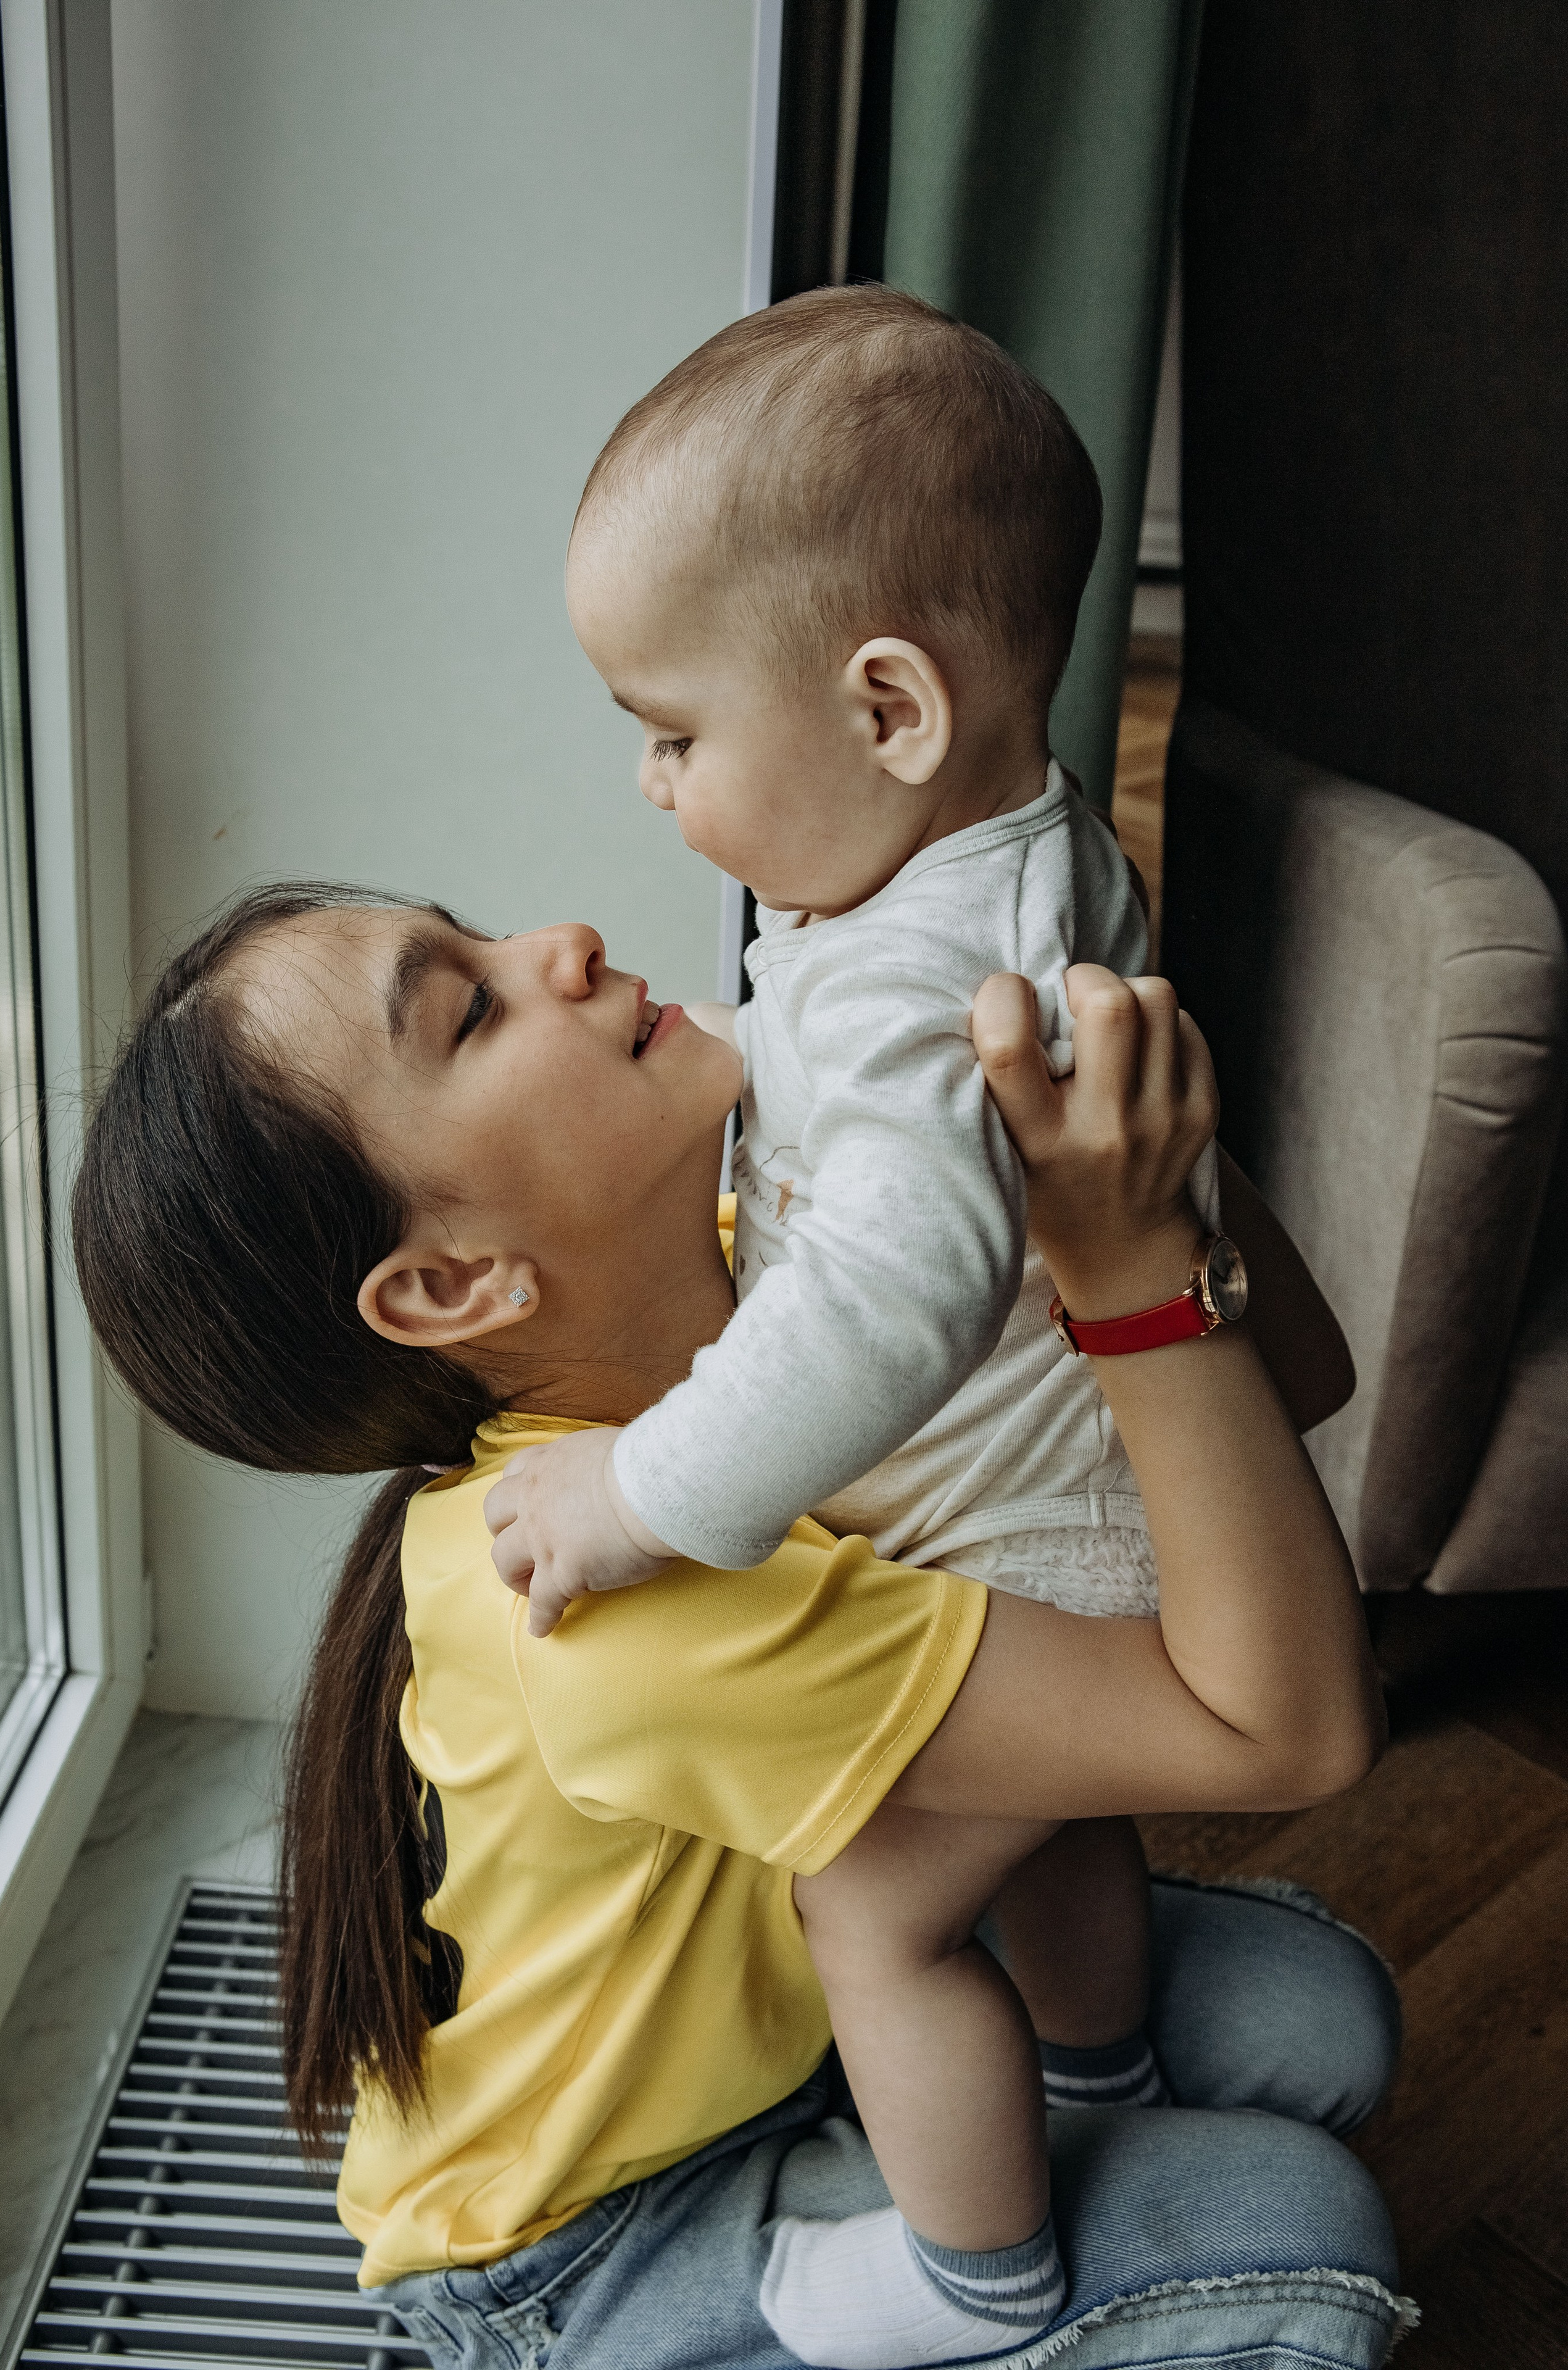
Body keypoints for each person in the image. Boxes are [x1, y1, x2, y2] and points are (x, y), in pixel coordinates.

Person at [71, 883, 1411, 2369]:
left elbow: (1297, 1376)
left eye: (482, 934)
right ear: (453, 1284)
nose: (562, 942)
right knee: (1308, 2233)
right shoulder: (612, 1613)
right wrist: (1129, 1256)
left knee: (1326, 2022)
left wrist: (1106, 1120)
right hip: (596, 2243)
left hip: (805, 2023)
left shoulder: (807, 1289)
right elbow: (1290, 1731)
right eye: (472, 1008)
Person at [483, 286, 1250, 2351]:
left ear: (889, 709)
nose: (654, 784)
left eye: (674, 730)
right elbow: (896, 1137)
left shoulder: (920, 979)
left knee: (879, 1908)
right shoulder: (1006, 854)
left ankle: (975, 2275)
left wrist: (642, 1492)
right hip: (1084, 1508)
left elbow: (893, 1302)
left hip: (1026, 1543)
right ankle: (1108, 2084)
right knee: (1053, 1844)